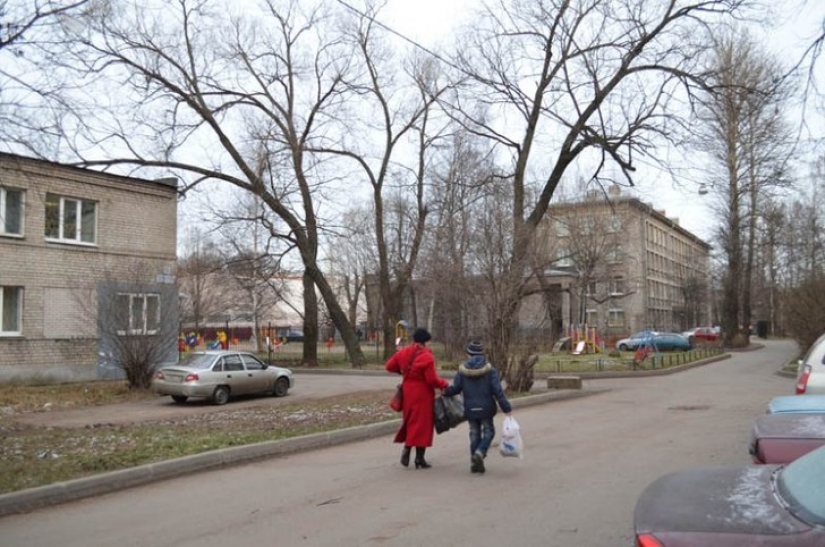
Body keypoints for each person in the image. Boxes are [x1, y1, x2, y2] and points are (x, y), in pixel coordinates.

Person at [443, 339, 512, 474]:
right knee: (489, 432)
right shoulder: (490, 370)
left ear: (469, 354)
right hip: (486, 408)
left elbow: (455, 388)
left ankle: (474, 461)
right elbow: (498, 391)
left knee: (474, 433)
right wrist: (506, 408)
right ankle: (480, 453)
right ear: (482, 354)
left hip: (470, 408)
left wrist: (443, 391)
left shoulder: (462, 371)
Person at [385, 327, 449, 469]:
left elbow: (389, 366)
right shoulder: (427, 356)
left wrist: (402, 372)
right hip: (423, 394)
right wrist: (444, 384)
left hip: (408, 392)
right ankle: (419, 458)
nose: (430, 344)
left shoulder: (404, 352)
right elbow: (431, 380)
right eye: (429, 341)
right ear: (424, 341)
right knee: (423, 426)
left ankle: (407, 449)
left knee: (410, 421)